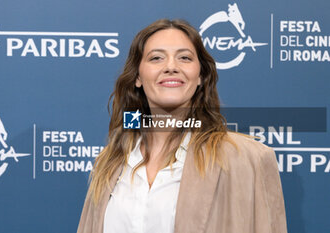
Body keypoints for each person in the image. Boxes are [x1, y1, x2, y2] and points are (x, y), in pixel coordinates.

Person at [77, 19, 287, 233]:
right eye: (156, 58)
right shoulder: (110, 162)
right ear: (138, 77)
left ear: (200, 76)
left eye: (184, 58)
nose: (171, 67)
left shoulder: (245, 159)